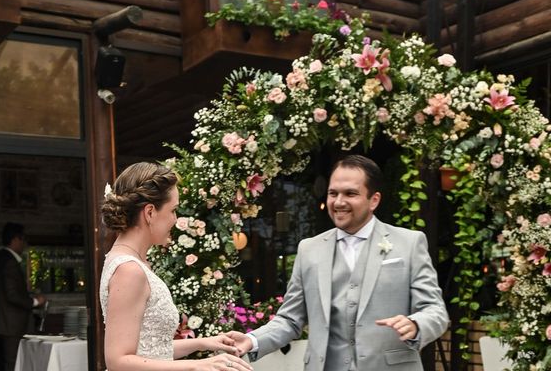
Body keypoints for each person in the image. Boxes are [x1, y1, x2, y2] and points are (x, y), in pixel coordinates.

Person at [227, 155, 449, 371]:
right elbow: (290, 320)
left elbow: (435, 311)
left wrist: (416, 324)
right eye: (333, 193)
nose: (339, 202)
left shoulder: (408, 243)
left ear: (374, 200)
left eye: (350, 193)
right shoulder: (309, 249)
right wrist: (252, 340)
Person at [100, 162, 251, 370]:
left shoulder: (131, 261)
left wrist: (203, 342)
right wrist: (198, 365)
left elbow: (151, 350)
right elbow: (118, 361)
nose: (175, 219)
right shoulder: (129, 270)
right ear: (150, 212)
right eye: (173, 210)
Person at [0, 222, 47, 371]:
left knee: (8, 362)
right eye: (23, 239)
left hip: (1, 323)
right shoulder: (9, 262)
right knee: (13, 363)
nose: (25, 244)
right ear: (15, 240)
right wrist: (34, 301)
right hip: (12, 325)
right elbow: (11, 295)